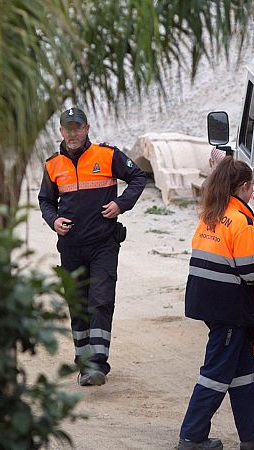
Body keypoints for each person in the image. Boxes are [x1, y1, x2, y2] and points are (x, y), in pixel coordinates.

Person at [38, 107, 147, 386]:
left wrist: (120, 204)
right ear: (61, 132)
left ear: (86, 129)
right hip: (71, 247)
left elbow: (138, 177)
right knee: (78, 305)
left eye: (78, 128)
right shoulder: (53, 165)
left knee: (100, 301)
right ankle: (84, 364)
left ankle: (97, 364)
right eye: (68, 129)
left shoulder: (107, 155)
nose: (73, 134)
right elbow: (45, 201)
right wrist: (54, 220)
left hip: (103, 244)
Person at [178, 157, 254, 450]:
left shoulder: (212, 214)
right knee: (216, 373)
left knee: (244, 373)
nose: (252, 192)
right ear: (244, 186)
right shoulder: (242, 221)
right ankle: (192, 436)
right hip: (230, 308)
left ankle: (253, 435)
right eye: (253, 187)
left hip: (209, 301)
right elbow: (253, 272)